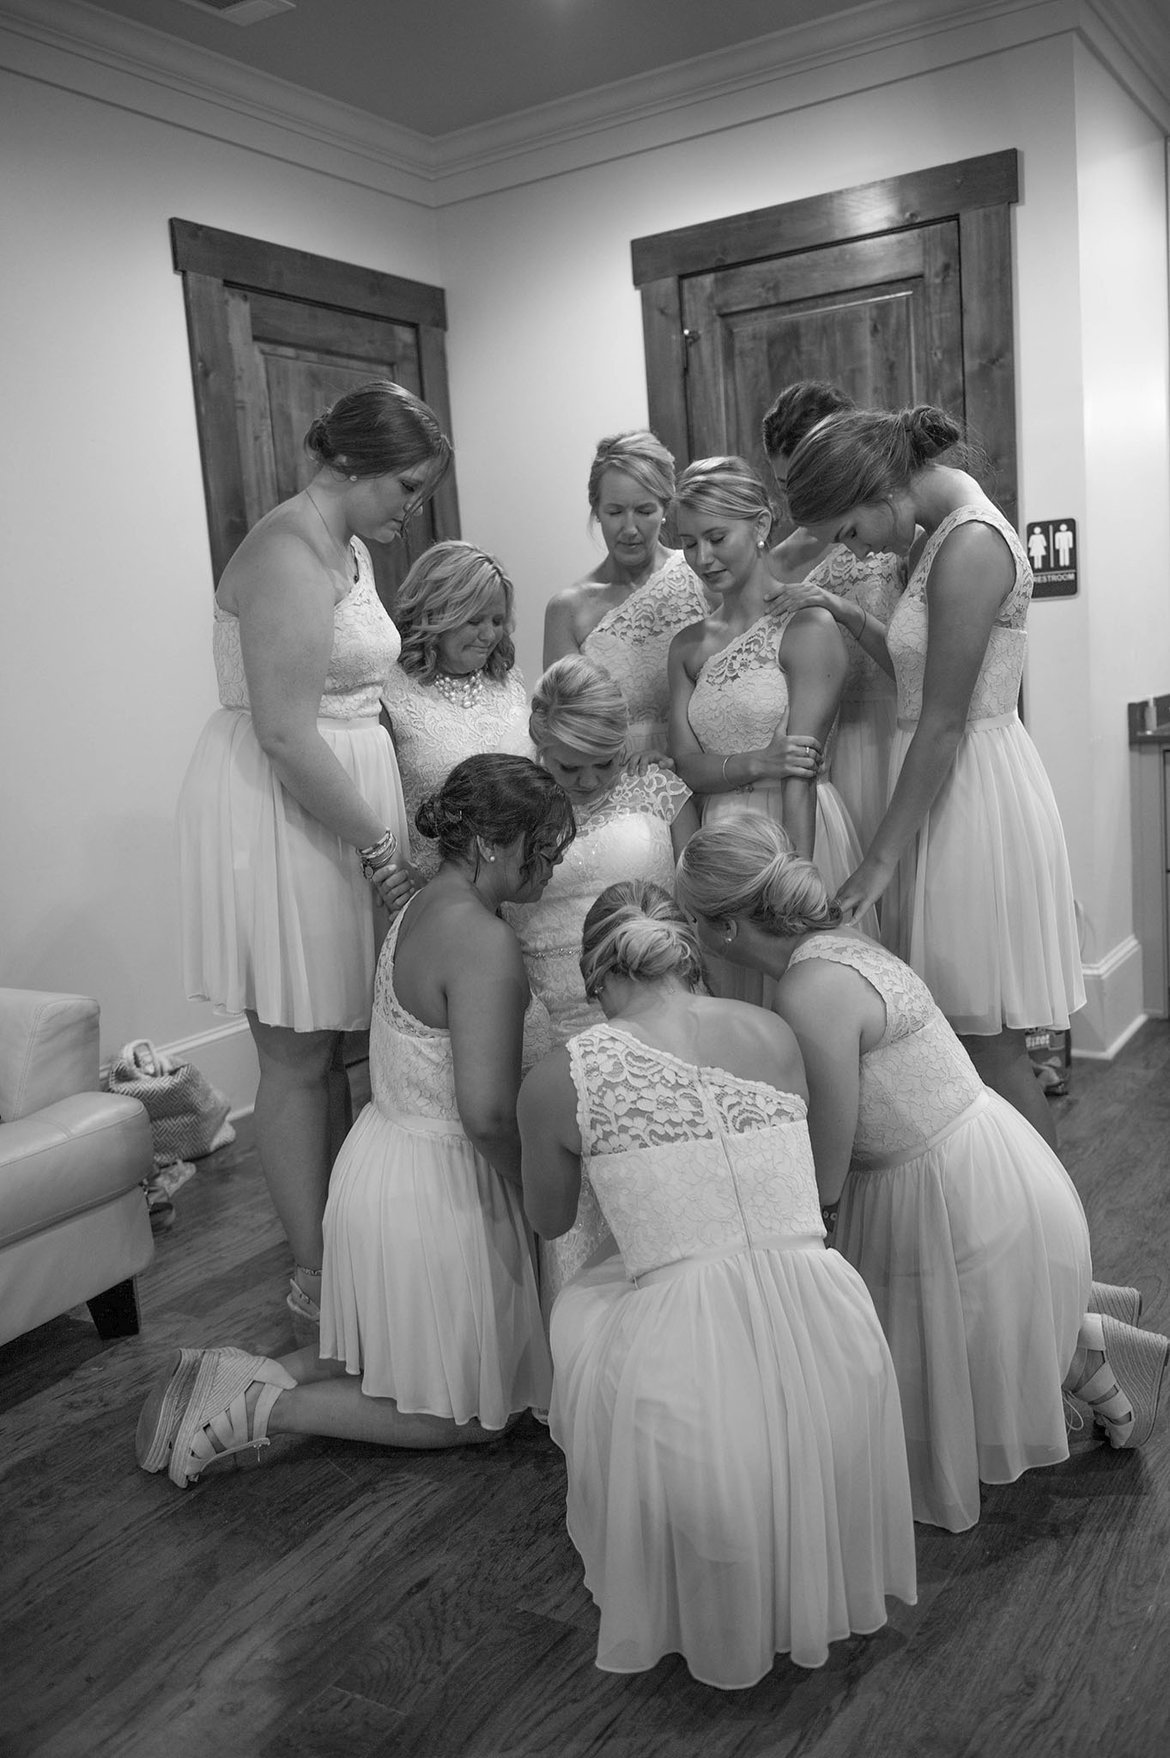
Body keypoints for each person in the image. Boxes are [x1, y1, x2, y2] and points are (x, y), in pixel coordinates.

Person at [675, 814, 1168, 1532]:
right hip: (983, 1158)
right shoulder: (840, 943)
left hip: (953, 1191)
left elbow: (831, 1165)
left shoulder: (809, 992)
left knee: (935, 1340)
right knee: (934, 1342)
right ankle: (1079, 1338)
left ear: (720, 930)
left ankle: (1083, 1345)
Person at [517, 880, 916, 1687]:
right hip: (832, 1325)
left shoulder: (562, 1076)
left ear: (597, 980)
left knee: (583, 1311)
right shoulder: (772, 1030)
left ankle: (704, 1576)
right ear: (687, 958)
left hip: (685, 1344)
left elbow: (552, 1220)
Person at [138, 756, 575, 1487]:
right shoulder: (485, 943)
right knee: (467, 1415)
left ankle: (227, 1372)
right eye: (548, 849)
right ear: (498, 844)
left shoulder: (419, 905)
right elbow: (488, 1112)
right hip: (438, 1191)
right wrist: (536, 1195)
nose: (553, 869)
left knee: (378, 1353)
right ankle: (260, 1412)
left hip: (379, 1161)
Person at [177, 380, 451, 1336]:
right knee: (296, 1050)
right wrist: (378, 840)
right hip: (285, 808)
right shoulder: (288, 555)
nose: (410, 507)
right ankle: (315, 1271)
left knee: (343, 1034)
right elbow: (289, 736)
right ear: (348, 464)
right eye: (405, 486)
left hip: (343, 796)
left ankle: (349, 1234)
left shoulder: (352, 546)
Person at [783, 404, 1084, 1145]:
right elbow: (922, 683)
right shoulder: (938, 539)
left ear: (886, 489)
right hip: (944, 786)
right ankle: (1006, 1218)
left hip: (972, 789)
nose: (851, 548)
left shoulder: (971, 543)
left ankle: (1048, 1238)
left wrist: (879, 861)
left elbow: (946, 719)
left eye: (849, 529)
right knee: (963, 1040)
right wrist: (853, 620)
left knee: (993, 1050)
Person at [504, 656, 698, 1306]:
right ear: (539, 748)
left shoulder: (660, 794)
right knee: (580, 1224)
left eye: (605, 763)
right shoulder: (515, 818)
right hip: (553, 1031)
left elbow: (692, 913)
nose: (588, 782)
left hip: (659, 1022)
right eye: (567, 767)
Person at [667, 455, 876, 997]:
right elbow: (686, 767)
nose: (702, 558)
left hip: (791, 826)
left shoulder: (806, 625)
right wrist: (755, 761)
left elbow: (800, 772)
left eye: (716, 537)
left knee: (805, 997)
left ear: (761, 526)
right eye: (689, 544)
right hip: (718, 839)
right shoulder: (687, 646)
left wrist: (796, 878)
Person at [762, 381, 905, 851]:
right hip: (824, 750)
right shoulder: (775, 565)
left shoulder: (894, 538)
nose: (800, 502)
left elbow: (922, 661)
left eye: (810, 480)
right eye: (786, 487)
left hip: (895, 730)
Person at [542, 431, 709, 753]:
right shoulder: (569, 609)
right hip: (611, 778)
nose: (630, 529)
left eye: (644, 511)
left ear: (665, 507)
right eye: (615, 512)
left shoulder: (701, 577)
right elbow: (565, 727)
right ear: (596, 509)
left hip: (706, 767)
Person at [382, 541, 530, 879]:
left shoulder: (508, 679)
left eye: (497, 619)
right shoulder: (390, 690)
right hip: (429, 885)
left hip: (514, 879)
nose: (490, 634)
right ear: (434, 614)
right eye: (474, 620)